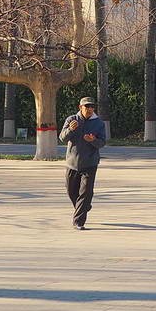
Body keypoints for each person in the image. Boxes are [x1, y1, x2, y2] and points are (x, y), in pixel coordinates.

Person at [59, 96, 106, 230]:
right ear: (80, 107)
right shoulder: (71, 120)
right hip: (72, 163)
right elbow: (62, 138)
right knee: (71, 191)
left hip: (90, 163)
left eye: (92, 107)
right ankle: (84, 206)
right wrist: (70, 130)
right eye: (87, 106)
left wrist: (93, 140)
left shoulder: (99, 123)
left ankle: (79, 221)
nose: (90, 109)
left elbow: (102, 142)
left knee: (86, 192)